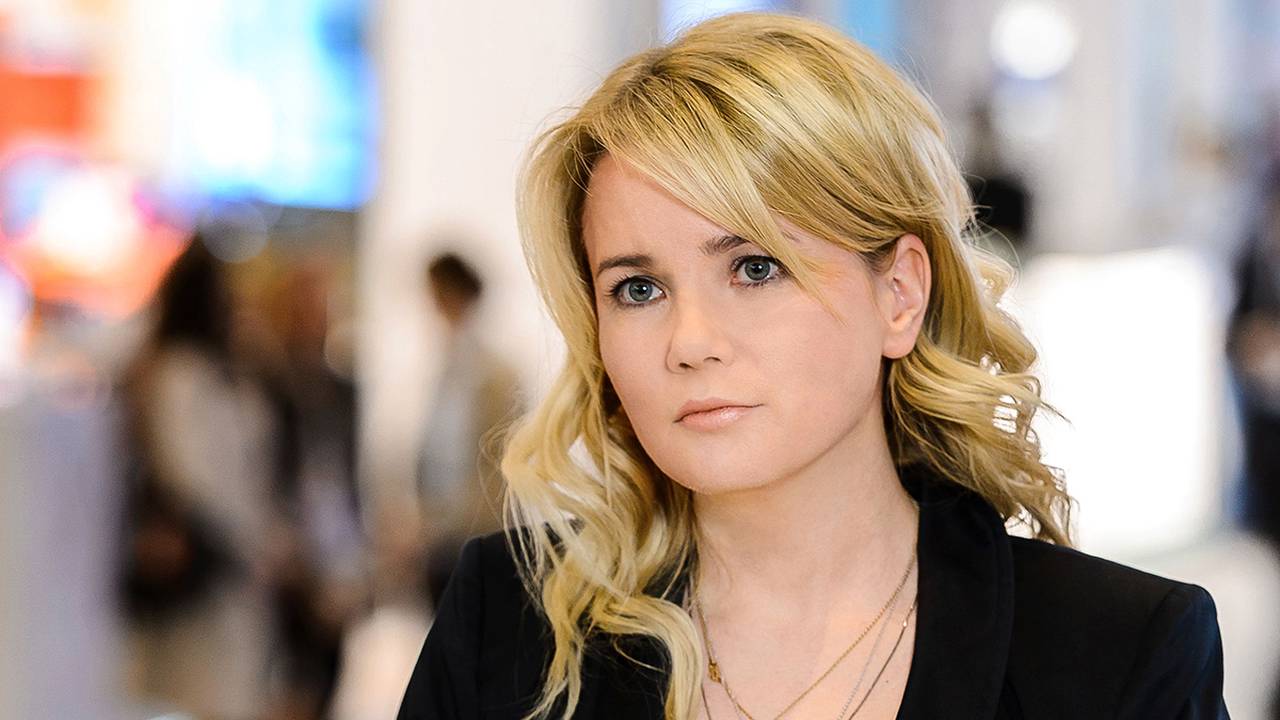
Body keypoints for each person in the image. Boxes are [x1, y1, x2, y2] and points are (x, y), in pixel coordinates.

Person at [398, 12, 1228, 720]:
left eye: (755, 268)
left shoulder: (1117, 654)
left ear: (899, 294)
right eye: (638, 288)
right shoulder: (508, 623)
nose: (690, 341)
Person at [415, 251, 523, 608]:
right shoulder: (443, 369)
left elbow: (500, 470)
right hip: (440, 540)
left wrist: (442, 523)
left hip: (476, 536)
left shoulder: (497, 375)